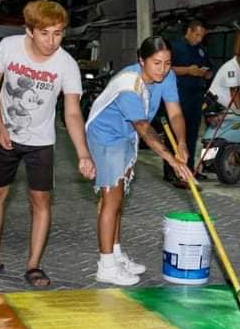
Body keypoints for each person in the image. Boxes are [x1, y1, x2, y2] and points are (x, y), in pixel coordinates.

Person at [0, 0, 95, 287]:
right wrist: (1, 127)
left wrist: (83, 153)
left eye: (58, 33)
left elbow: (72, 111)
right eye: (45, 33)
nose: (52, 41)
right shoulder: (8, 48)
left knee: (40, 201)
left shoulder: (67, 64)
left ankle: (34, 265)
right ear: (29, 30)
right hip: (4, 134)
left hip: (41, 142)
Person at [86, 36, 194, 286]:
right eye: (156, 63)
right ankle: (106, 266)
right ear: (141, 61)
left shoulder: (167, 77)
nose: (163, 69)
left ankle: (115, 254)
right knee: (110, 198)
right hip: (106, 136)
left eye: (167, 63)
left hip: (127, 135)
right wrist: (172, 160)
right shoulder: (129, 85)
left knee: (119, 196)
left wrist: (182, 142)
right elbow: (145, 128)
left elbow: (175, 112)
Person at [164, 19, 213, 186]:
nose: (199, 39)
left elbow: (208, 68)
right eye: (197, 35)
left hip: (196, 96)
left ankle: (189, 170)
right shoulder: (175, 47)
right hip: (179, 96)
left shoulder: (201, 50)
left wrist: (206, 73)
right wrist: (188, 71)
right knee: (176, 133)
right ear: (189, 32)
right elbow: (166, 68)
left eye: (202, 36)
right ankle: (171, 171)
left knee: (192, 135)